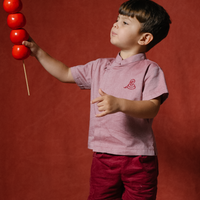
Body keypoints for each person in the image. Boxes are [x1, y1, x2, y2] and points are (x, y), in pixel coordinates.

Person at [23, 0, 171, 199]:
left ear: (144, 38)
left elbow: (153, 107)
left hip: (139, 158)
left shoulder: (150, 69)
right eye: (117, 19)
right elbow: (66, 73)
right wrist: (38, 52)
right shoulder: (99, 66)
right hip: (103, 156)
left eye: (125, 23)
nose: (115, 24)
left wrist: (120, 104)